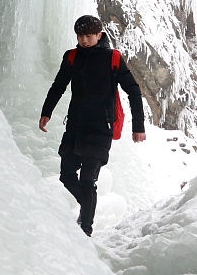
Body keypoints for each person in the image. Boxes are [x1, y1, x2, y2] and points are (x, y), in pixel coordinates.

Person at [39, 14, 146, 237]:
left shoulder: (113, 58)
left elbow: (133, 91)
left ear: (99, 35)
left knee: (88, 180)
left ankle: (85, 228)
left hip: (100, 129)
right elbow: (58, 86)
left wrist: (138, 126)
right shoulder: (71, 57)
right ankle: (87, 207)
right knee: (66, 176)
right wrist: (46, 112)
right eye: (80, 36)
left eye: (89, 36)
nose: (84, 40)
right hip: (75, 127)